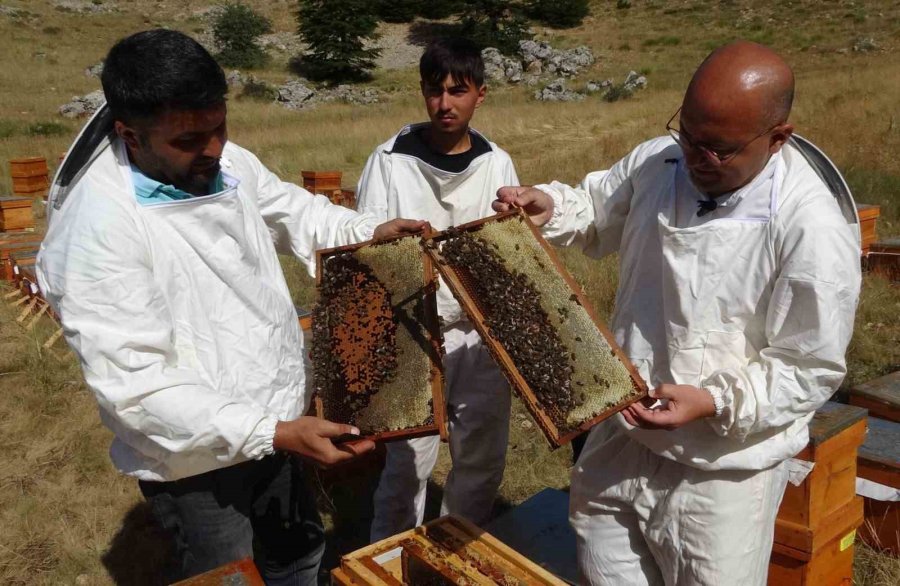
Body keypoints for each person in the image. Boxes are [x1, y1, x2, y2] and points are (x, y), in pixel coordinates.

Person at [36, 29, 424, 584]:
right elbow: (141, 392)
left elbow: (292, 209)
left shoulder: (223, 157)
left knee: (297, 554)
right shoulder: (95, 232)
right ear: (130, 135)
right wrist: (274, 432)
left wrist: (364, 229)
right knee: (228, 572)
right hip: (194, 458)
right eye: (191, 140)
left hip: (280, 417)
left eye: (219, 127)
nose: (214, 148)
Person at [494, 41, 861, 585]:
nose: (693, 157)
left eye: (717, 149)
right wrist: (550, 204)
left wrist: (713, 400)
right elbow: (596, 206)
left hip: (721, 474)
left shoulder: (812, 229)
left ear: (777, 138)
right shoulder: (659, 160)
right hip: (621, 433)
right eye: (686, 134)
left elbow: (808, 368)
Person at [356, 37, 520, 542]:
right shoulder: (388, 160)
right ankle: (389, 558)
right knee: (406, 464)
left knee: (480, 458)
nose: (445, 103)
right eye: (434, 91)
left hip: (478, 333)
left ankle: (456, 553)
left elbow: (508, 253)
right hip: (411, 327)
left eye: (458, 90)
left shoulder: (497, 163)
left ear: (480, 95)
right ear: (422, 92)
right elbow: (366, 243)